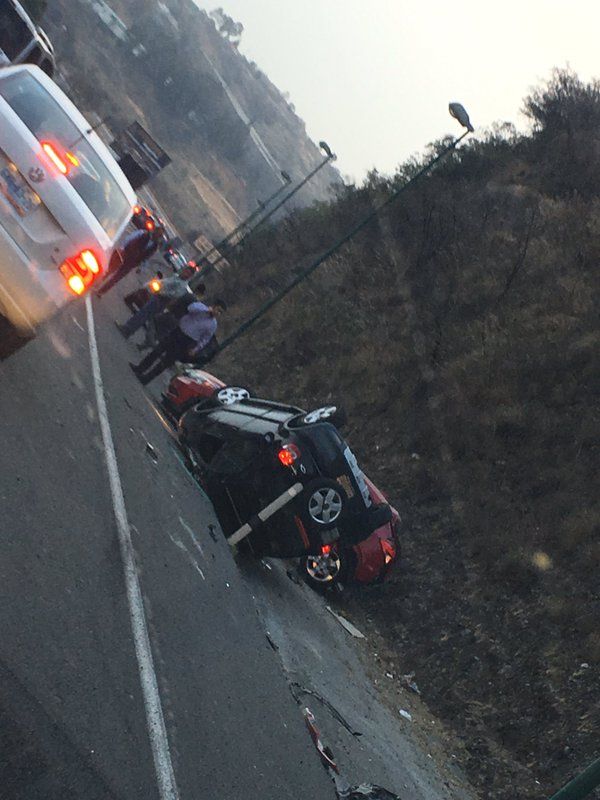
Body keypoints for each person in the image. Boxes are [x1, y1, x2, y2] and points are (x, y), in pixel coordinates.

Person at [130, 298, 227, 385]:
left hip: (187, 342)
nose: (218, 313)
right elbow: (190, 308)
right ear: (214, 306)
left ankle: (146, 378)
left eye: (220, 312)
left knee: (166, 362)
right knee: (157, 350)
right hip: (178, 332)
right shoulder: (200, 307)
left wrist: (196, 349)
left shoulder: (213, 325)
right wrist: (205, 310)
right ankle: (140, 368)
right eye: (218, 310)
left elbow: (205, 339)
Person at [116, 267, 203, 340]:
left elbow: (174, 295)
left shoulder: (182, 286)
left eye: (188, 274)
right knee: (142, 313)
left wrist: (161, 292)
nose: (185, 273)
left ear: (190, 276)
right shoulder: (176, 277)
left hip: (161, 301)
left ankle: (127, 330)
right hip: (156, 296)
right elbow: (164, 282)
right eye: (186, 271)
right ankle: (127, 328)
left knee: (143, 315)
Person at [96, 225, 165, 296]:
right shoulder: (143, 233)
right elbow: (130, 238)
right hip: (126, 253)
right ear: (155, 230)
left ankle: (101, 291)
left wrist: (141, 267)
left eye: (159, 235)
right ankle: (98, 282)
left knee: (117, 278)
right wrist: (122, 247)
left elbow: (147, 257)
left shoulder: (154, 246)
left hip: (133, 263)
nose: (157, 235)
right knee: (110, 269)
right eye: (158, 232)